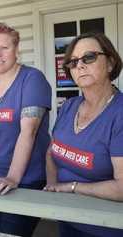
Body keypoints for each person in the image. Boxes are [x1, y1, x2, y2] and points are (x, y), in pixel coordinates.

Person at [0, 22, 52, 237]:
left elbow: (29, 131)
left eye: (4, 48)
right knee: (3, 228)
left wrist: (12, 178)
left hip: (25, 178)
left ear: (17, 50)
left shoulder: (32, 79)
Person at [44, 32, 123, 237]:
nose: (80, 65)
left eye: (89, 57)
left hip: (105, 226)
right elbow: (51, 152)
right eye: (73, 61)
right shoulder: (69, 106)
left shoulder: (119, 114)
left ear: (110, 63)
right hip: (67, 218)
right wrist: (53, 188)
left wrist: (71, 187)